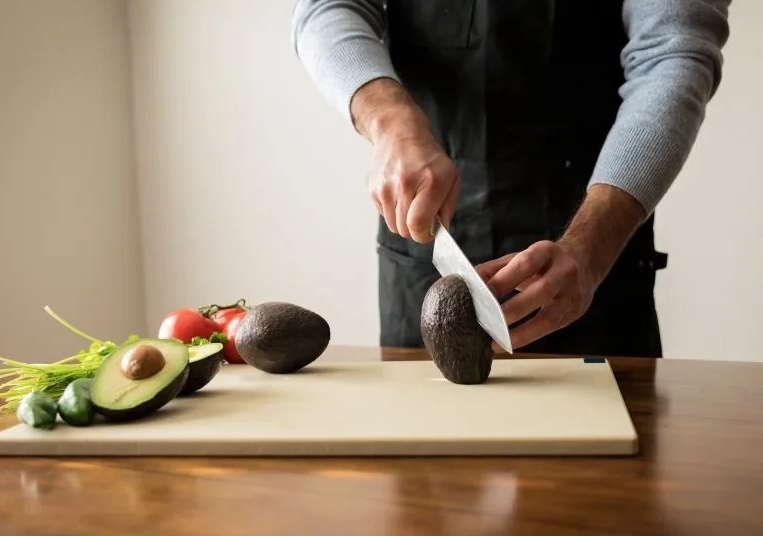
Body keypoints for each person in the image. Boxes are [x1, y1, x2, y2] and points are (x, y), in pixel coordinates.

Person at [291, 0, 730, 357]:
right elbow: (327, 6)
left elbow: (673, 53)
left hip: (596, 260)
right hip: (425, 259)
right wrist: (388, 118)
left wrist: (589, 251)